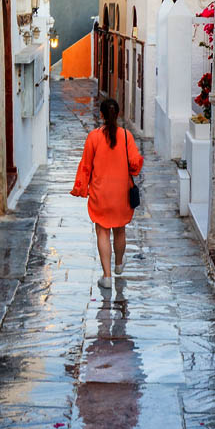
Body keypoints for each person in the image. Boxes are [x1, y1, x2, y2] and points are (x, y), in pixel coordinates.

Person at [71, 98, 144, 288]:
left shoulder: (93, 137)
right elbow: (135, 164)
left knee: (102, 231)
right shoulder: (127, 136)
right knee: (120, 230)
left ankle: (107, 276)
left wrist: (81, 188)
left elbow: (86, 165)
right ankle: (119, 265)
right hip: (121, 193)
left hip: (100, 193)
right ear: (118, 114)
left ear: (101, 115)